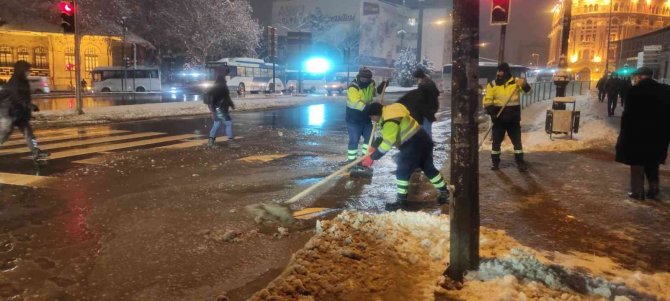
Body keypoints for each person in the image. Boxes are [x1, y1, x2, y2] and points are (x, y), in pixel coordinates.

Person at [362, 102, 449, 210]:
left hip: (412, 145)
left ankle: (401, 202)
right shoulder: (390, 111)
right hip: (423, 139)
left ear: (375, 114)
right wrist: (373, 147)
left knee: (402, 171)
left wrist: (373, 157)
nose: (372, 120)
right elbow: (383, 135)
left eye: (371, 117)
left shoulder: (389, 121)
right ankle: (445, 192)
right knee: (428, 167)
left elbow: (388, 142)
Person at [615, 67, 669, 200]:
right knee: (652, 161)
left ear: (640, 77)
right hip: (658, 134)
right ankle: (654, 187)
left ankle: (637, 191)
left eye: (636, 76)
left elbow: (628, 116)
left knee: (637, 163)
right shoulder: (664, 90)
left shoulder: (634, 91)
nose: (635, 78)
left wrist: (624, 135)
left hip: (637, 134)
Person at [483, 63, 532, 171]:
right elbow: (487, 101)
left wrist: (524, 85)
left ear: (507, 72)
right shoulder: (492, 85)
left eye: (501, 71)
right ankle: (495, 162)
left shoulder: (516, 83)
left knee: (517, 143)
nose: (499, 73)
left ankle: (520, 162)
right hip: (499, 119)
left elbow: (529, 93)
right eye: (498, 71)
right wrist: (492, 113)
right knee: (496, 143)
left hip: (513, 120)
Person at [0, 61, 49, 160]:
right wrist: (29, 105)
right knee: (5, 132)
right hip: (10, 113)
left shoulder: (24, 81)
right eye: (27, 70)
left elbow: (26, 97)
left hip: (21, 113)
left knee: (28, 132)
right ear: (21, 70)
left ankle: (36, 152)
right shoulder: (14, 82)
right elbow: (17, 97)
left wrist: (29, 109)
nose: (28, 72)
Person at [344, 67, 386, 164]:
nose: (366, 81)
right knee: (354, 140)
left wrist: (381, 88)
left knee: (370, 139)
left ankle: (364, 159)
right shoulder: (353, 88)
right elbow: (357, 104)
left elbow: (373, 93)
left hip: (366, 118)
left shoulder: (371, 84)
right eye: (364, 79)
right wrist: (373, 109)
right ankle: (352, 161)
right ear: (359, 77)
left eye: (368, 79)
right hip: (354, 118)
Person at [207, 75, 235, 147]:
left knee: (217, 124)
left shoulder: (214, 88)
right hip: (222, 109)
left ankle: (210, 142)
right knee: (228, 124)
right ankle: (231, 142)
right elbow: (227, 98)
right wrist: (232, 105)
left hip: (217, 109)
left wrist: (213, 111)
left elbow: (211, 101)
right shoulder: (223, 87)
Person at [413, 69, 440, 138]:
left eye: (416, 79)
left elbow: (421, 100)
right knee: (424, 129)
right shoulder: (430, 82)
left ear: (419, 77)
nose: (416, 80)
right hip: (430, 110)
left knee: (426, 130)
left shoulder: (423, 86)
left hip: (426, 112)